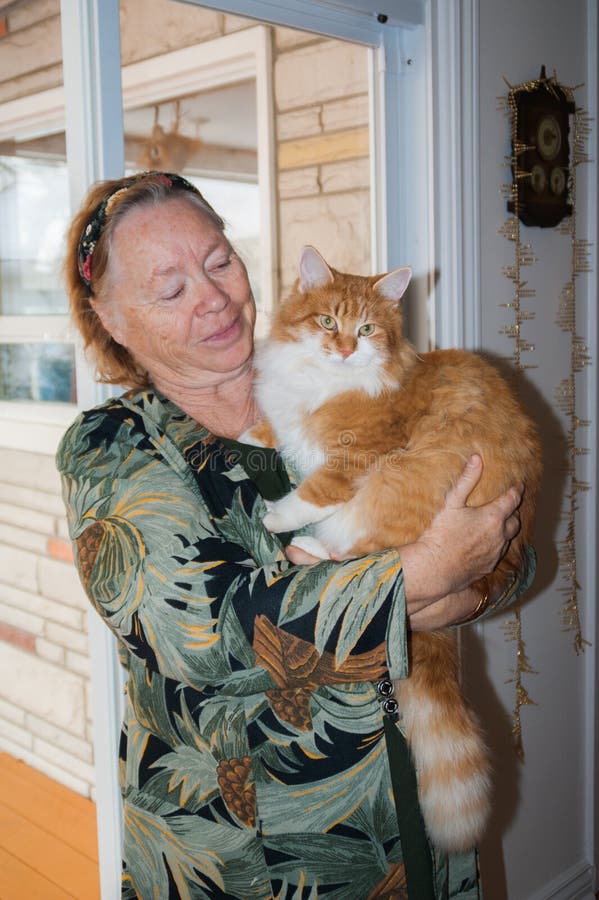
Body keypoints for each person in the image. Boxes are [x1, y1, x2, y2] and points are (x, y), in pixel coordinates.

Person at [57, 171, 535, 899]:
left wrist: (469, 590)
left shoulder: (328, 382)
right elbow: (204, 629)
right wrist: (411, 579)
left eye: (219, 261)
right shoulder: (114, 446)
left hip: (416, 825)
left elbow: (502, 540)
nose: (213, 296)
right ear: (114, 320)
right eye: (170, 288)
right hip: (260, 856)